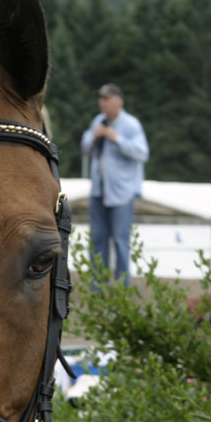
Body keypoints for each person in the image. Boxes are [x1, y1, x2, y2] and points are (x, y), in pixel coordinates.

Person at [81, 83, 149, 285]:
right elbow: (85, 147)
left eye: (106, 98)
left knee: (121, 242)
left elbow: (142, 153)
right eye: (100, 98)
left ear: (118, 101)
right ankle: (97, 288)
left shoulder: (131, 125)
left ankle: (122, 289)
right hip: (99, 191)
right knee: (97, 241)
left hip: (122, 194)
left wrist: (116, 138)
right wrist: (95, 135)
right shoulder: (98, 121)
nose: (102, 102)